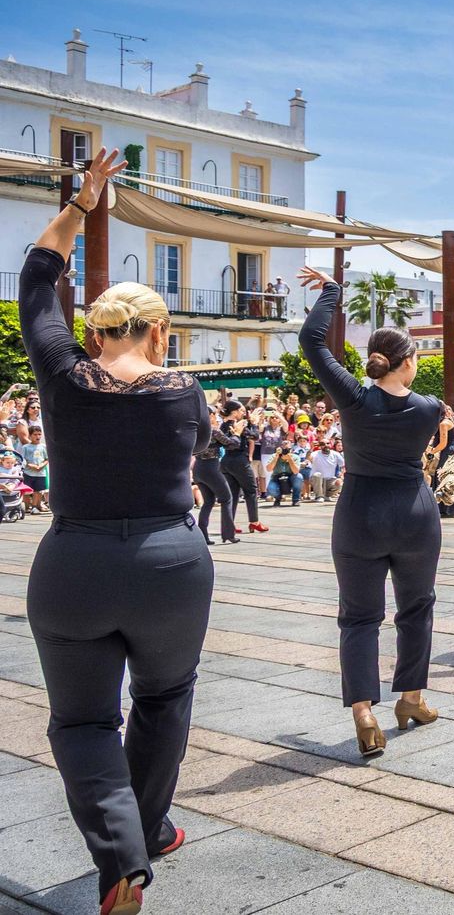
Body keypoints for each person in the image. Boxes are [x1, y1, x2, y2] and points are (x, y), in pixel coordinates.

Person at [22, 148, 213, 914]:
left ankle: (121, 857)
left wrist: (82, 204)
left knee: (82, 720)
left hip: (74, 563)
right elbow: (196, 453)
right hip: (170, 561)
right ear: (160, 333)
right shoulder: (186, 392)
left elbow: (39, 279)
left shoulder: (62, 373)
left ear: (92, 330)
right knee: (165, 700)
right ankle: (149, 826)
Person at [298, 265, 445, 757]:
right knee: (416, 607)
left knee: (359, 617)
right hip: (413, 512)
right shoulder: (428, 409)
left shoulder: (354, 399)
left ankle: (364, 710)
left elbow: (312, 341)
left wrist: (331, 293)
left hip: (360, 511)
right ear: (405, 362)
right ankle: (411, 699)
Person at [220, 400, 267, 533]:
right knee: (251, 491)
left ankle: (230, 524)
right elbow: (255, 436)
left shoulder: (223, 425)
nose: (243, 413)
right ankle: (254, 521)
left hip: (226, 461)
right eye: (241, 411)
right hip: (239, 460)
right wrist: (254, 423)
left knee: (233, 494)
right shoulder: (238, 424)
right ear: (234, 412)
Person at [194, 408, 239, 545]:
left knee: (208, 502)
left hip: (198, 468)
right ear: (211, 415)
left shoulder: (196, 431)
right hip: (212, 467)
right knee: (226, 498)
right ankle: (228, 534)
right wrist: (237, 433)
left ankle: (203, 534)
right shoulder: (213, 430)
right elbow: (232, 444)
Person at [20, 424, 48, 512]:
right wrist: (30, 465)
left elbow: (47, 458)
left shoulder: (43, 447)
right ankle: (27, 507)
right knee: (27, 491)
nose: (37, 436)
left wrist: (41, 466)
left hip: (40, 472)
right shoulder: (26, 447)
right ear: (30, 435)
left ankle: (35, 506)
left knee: (38, 490)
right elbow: (22, 459)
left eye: (39, 434)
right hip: (29, 472)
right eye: (35, 434)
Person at [266, 442, 303, 507]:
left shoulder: (295, 457)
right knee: (271, 489)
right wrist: (277, 457)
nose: (285, 451)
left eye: (288, 449)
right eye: (284, 449)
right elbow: (269, 469)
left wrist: (290, 459)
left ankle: (296, 499)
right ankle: (277, 498)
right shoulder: (274, 456)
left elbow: (296, 471)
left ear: (291, 449)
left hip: (291, 477)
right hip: (277, 477)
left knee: (299, 477)